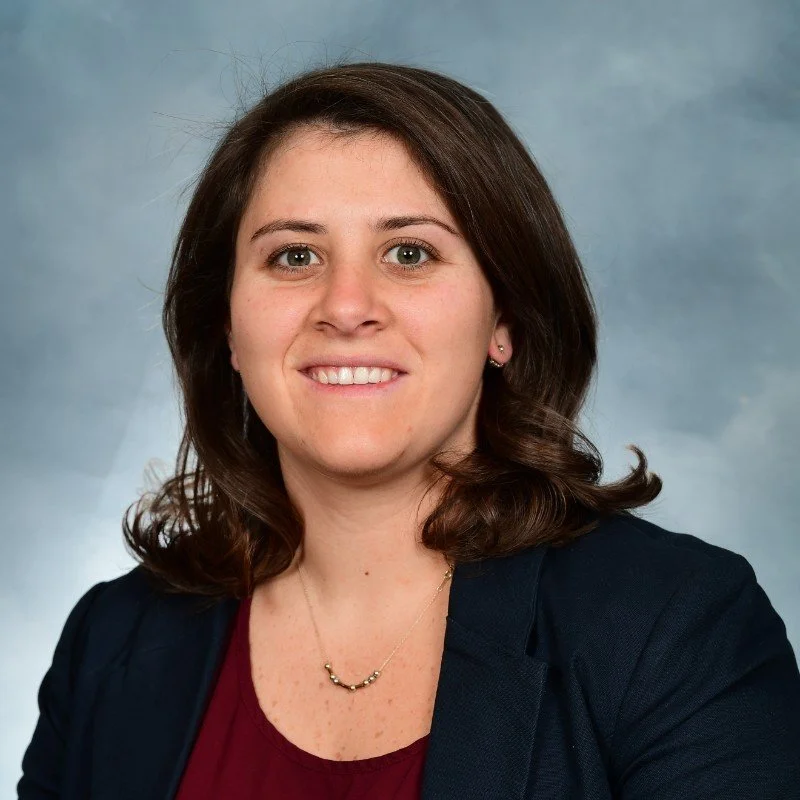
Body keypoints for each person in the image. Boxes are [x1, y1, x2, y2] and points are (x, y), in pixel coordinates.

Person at [17, 61, 800, 800]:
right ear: (225, 325)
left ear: (505, 319)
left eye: (408, 252)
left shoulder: (677, 624)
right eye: (294, 256)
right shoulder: (113, 643)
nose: (347, 304)